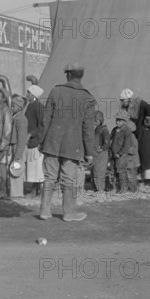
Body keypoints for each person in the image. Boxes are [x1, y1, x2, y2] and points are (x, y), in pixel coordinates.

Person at [39, 63, 96, 222]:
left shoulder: (56, 91)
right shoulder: (88, 98)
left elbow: (46, 120)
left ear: (68, 75)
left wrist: (41, 142)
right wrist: (89, 152)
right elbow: (88, 128)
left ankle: (44, 211)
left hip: (52, 142)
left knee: (49, 177)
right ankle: (68, 212)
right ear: (81, 76)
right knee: (69, 179)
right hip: (73, 146)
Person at [119, 89, 150, 191]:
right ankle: (145, 183)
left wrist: (147, 122)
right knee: (143, 158)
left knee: (148, 158)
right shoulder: (132, 107)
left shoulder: (140, 104)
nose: (121, 102)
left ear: (129, 99)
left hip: (146, 135)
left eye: (123, 100)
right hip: (142, 135)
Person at [111, 111, 140, 193]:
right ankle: (118, 187)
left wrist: (120, 153)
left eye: (120, 120)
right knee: (115, 171)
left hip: (122, 155)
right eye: (117, 120)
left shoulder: (127, 131)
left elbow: (127, 144)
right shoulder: (115, 130)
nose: (117, 121)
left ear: (124, 121)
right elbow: (111, 140)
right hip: (114, 154)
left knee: (122, 172)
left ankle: (125, 189)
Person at [25, 84, 45, 197]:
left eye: (28, 92)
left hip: (36, 141)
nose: (27, 94)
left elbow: (42, 125)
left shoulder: (38, 106)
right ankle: (34, 189)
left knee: (38, 167)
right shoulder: (30, 105)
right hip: (31, 141)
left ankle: (39, 190)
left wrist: (32, 134)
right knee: (32, 167)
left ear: (33, 94)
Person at [9, 95, 29, 199]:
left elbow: (22, 140)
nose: (11, 108)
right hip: (14, 146)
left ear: (20, 107)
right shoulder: (16, 117)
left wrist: (18, 155)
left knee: (16, 170)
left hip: (18, 148)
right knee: (13, 170)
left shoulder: (21, 120)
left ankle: (17, 194)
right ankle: (14, 193)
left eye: (14, 106)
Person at [92, 110, 110, 193]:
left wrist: (102, 148)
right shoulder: (97, 129)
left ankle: (101, 189)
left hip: (102, 154)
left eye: (96, 121)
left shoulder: (104, 130)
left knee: (100, 171)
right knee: (95, 171)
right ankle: (96, 188)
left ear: (100, 120)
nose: (94, 122)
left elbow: (107, 143)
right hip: (96, 154)